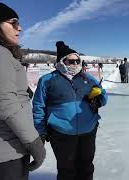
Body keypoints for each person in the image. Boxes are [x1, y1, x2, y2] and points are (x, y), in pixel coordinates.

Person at [0, 1, 46, 179]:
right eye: (13, 22)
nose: (19, 29)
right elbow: (7, 106)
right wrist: (35, 143)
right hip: (5, 152)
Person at [32, 41, 108, 180]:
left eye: (77, 60)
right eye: (71, 61)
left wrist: (99, 99)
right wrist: (41, 131)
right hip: (61, 132)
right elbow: (38, 107)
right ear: (61, 61)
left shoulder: (87, 78)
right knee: (66, 169)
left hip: (88, 130)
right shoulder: (47, 80)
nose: (75, 64)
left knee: (86, 166)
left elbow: (103, 97)